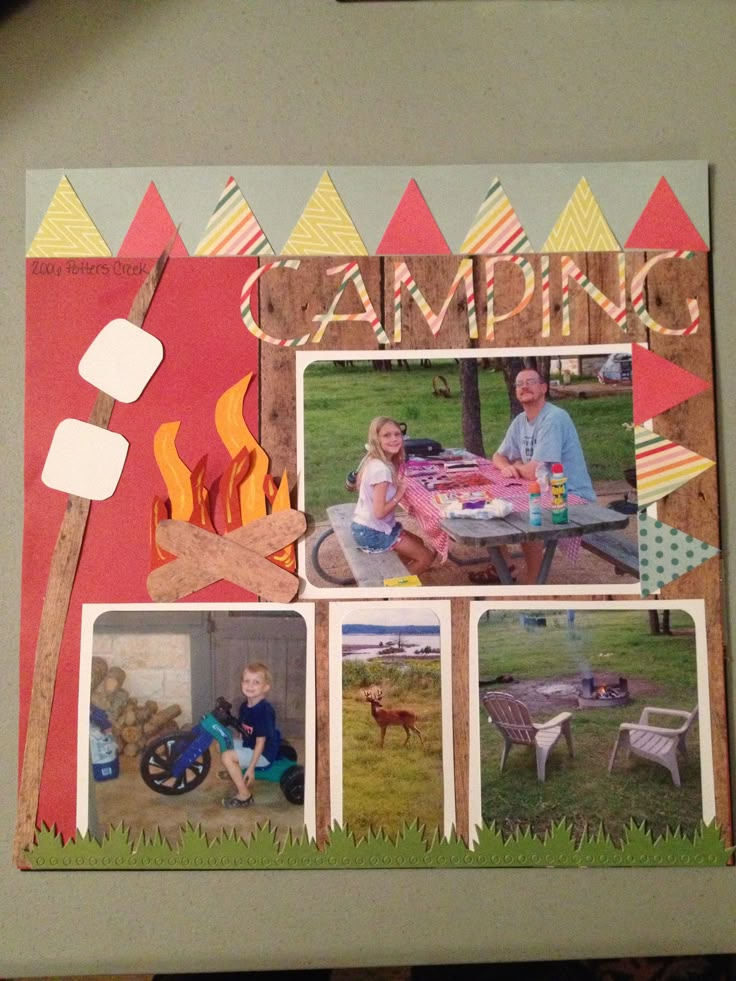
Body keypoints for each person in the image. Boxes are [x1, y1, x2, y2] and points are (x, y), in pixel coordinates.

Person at [492, 368, 595, 582]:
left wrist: (519, 466)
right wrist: (506, 467)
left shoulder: (553, 418)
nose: (524, 387)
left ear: (544, 388)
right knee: (491, 503)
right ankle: (505, 566)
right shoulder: (521, 420)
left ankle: (533, 583)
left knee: (529, 516)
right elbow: (497, 456)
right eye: (519, 384)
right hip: (546, 490)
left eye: (530, 382)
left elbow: (532, 472)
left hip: (571, 497)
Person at [350, 416, 435, 576]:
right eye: (386, 435)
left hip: (369, 526)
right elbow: (379, 513)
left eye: (397, 434)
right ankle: (393, 589)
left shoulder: (376, 460)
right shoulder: (380, 470)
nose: (394, 439)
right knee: (425, 558)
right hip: (372, 531)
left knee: (418, 542)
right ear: (377, 440)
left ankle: (395, 574)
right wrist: (399, 494)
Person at [220, 661, 280, 808]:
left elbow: (261, 743)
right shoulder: (244, 706)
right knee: (224, 741)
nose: (250, 686)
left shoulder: (264, 711)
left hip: (263, 753)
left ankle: (244, 795)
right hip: (250, 746)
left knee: (227, 756)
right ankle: (236, 771)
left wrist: (251, 768)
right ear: (242, 684)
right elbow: (243, 730)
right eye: (247, 681)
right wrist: (238, 745)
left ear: (266, 687)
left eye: (256, 682)